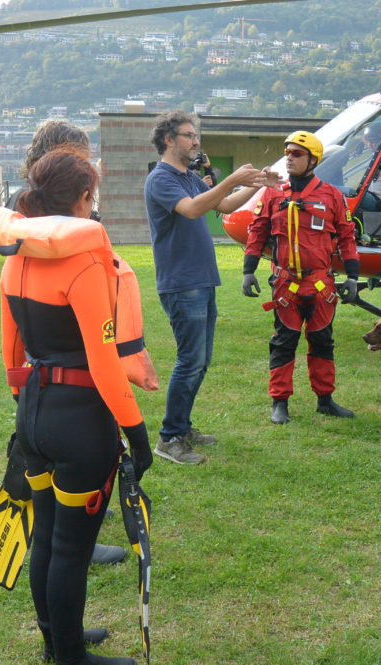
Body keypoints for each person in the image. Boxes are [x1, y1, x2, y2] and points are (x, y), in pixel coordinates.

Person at [0, 147, 152, 665]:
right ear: (84, 198)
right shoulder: (85, 262)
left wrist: (28, 410)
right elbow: (105, 362)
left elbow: (10, 352)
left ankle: (55, 637)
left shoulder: (15, 255)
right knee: (68, 548)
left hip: (34, 411)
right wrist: (136, 430)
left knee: (46, 533)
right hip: (81, 419)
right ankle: (71, 661)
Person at [7, 121, 128, 567]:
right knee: (57, 441)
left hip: (53, 363)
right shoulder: (30, 212)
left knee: (55, 445)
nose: (88, 165)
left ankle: (69, 509)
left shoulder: (64, 206)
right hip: (54, 355)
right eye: (79, 157)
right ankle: (62, 530)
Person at [145, 111, 270, 464]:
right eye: (187, 135)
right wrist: (230, 178)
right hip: (181, 284)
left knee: (200, 362)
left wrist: (260, 182)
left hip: (201, 280)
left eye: (194, 135)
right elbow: (192, 210)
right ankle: (169, 439)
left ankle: (181, 427)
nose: (195, 141)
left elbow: (225, 204)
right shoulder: (161, 179)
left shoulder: (188, 176)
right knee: (190, 361)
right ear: (169, 140)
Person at [242, 130, 360, 424]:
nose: (289, 158)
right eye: (287, 152)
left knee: (322, 341)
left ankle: (325, 399)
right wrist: (248, 271)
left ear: (313, 160)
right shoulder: (272, 193)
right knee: (283, 341)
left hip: (320, 284)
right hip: (286, 283)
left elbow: (347, 238)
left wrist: (353, 277)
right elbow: (257, 233)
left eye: (296, 154)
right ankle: (279, 402)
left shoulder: (332, 196)